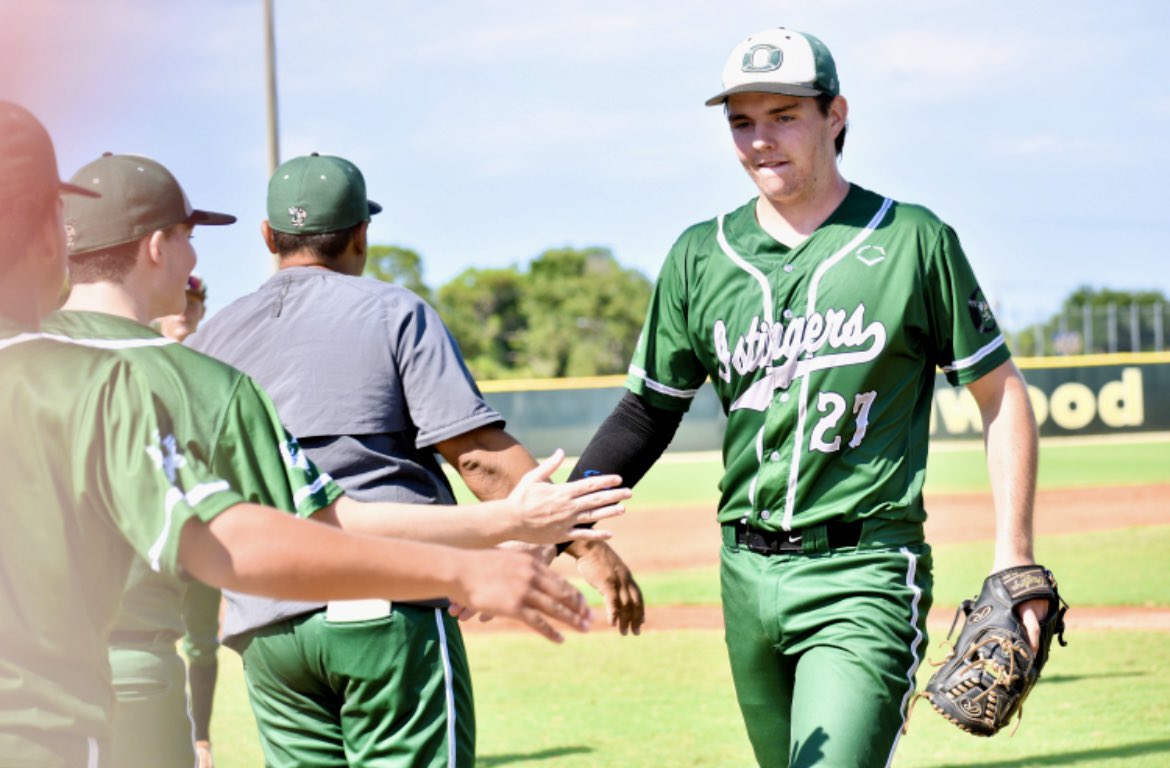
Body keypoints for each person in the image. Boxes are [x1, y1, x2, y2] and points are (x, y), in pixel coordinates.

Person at [0, 101, 601, 768]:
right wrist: (484, 546)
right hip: (86, 706)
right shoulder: (152, 381)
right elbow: (281, 530)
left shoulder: (191, 346)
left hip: (257, 637)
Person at [564, 28, 1047, 768]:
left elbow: (1000, 393)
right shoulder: (700, 254)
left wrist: (1014, 560)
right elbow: (647, 412)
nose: (760, 140)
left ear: (836, 115)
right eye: (741, 121)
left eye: (784, 115)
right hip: (743, 575)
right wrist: (549, 527)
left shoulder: (913, 240)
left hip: (864, 573)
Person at [189, 151, 646, 767]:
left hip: (267, 625)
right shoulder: (392, 311)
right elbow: (479, 461)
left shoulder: (210, 339)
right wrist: (588, 545)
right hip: (384, 605)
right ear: (361, 235)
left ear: (269, 237)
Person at [155, 273, 207, 342]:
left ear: (203, 312)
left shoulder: (215, 351)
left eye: (190, 304)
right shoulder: (139, 350)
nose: (183, 310)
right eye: (175, 302)